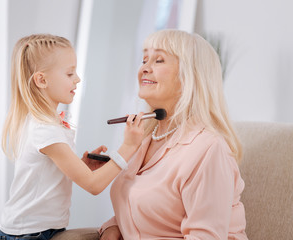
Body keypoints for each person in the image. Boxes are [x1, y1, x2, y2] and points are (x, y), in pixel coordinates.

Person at [99, 29, 249, 240]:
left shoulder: (208, 149)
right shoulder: (143, 139)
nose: (144, 68)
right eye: (144, 59)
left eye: (159, 60)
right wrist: (112, 227)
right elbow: (141, 207)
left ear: (190, 77)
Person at [0, 34, 145, 240]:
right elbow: (93, 185)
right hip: (28, 234)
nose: (78, 78)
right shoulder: (45, 129)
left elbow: (46, 172)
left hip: (39, 229)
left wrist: (80, 165)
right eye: (69, 73)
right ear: (42, 80)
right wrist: (128, 146)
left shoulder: (44, 123)